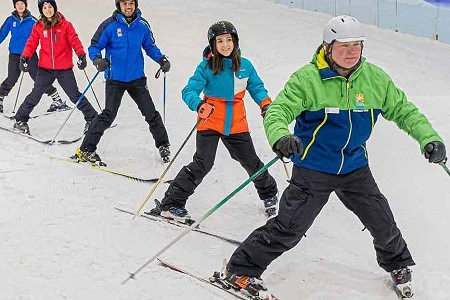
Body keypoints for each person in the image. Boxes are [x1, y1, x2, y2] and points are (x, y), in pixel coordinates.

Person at [217, 15, 447, 299]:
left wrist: (430, 138)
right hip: (314, 167)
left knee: (382, 221)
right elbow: (278, 111)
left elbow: (404, 111)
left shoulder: (374, 80)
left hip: (354, 166)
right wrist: (281, 137)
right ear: (327, 46)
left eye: (357, 45)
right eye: (344, 46)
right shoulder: (308, 79)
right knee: (289, 227)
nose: (352, 52)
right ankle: (241, 268)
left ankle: (397, 264)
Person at [148, 21, 278, 223]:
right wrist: (199, 105)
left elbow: (257, 88)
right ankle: (172, 203)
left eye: (229, 40)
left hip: (236, 124)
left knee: (251, 162)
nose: (225, 45)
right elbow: (188, 91)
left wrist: (265, 104)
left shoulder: (245, 66)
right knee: (202, 164)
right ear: (213, 44)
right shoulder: (206, 67)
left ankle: (269, 193)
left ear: (235, 41)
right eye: (220, 41)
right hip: (210, 121)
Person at [75, 0, 171, 164]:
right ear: (118, 5)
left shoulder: (142, 25)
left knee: (151, 113)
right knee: (108, 115)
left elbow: (150, 46)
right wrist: (98, 60)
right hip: (115, 79)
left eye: (131, 3)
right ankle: (86, 149)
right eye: (125, 3)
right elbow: (94, 46)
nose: (128, 6)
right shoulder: (109, 25)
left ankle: (163, 145)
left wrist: (161, 59)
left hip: (136, 79)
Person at [13, 0, 97, 134]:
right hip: (45, 69)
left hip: (64, 69)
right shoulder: (39, 26)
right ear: (42, 10)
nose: (47, 10)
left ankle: (92, 118)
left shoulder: (66, 25)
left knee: (74, 95)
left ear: (54, 8)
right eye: (44, 8)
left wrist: (81, 54)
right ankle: (20, 120)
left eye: (50, 7)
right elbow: (31, 43)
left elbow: (75, 40)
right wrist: (25, 57)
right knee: (35, 94)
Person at [0, 0, 67, 114]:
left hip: (30, 55)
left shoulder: (33, 21)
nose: (20, 6)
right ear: (15, 6)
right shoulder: (10, 20)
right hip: (15, 55)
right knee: (11, 78)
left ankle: (57, 100)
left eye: (22, 3)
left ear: (25, 5)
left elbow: (47, 32)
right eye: (17, 4)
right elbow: (1, 34)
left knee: (38, 78)